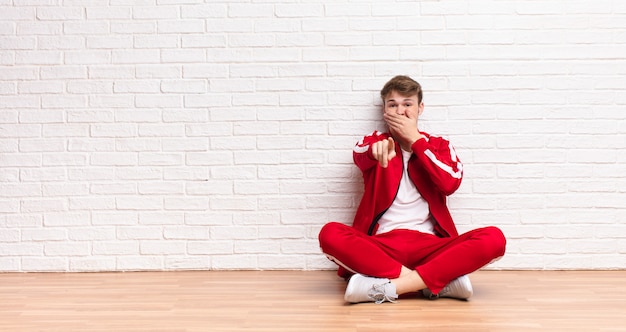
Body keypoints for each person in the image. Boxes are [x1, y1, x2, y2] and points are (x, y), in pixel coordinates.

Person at [318, 75, 506, 304]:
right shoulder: (376, 141)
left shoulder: (439, 146)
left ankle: (385, 288)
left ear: (420, 108)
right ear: (384, 110)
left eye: (407, 104)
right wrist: (375, 151)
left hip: (431, 247)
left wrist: (416, 141)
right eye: (393, 105)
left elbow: (450, 183)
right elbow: (361, 155)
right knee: (330, 234)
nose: (400, 111)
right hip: (382, 246)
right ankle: (437, 283)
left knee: (494, 239)